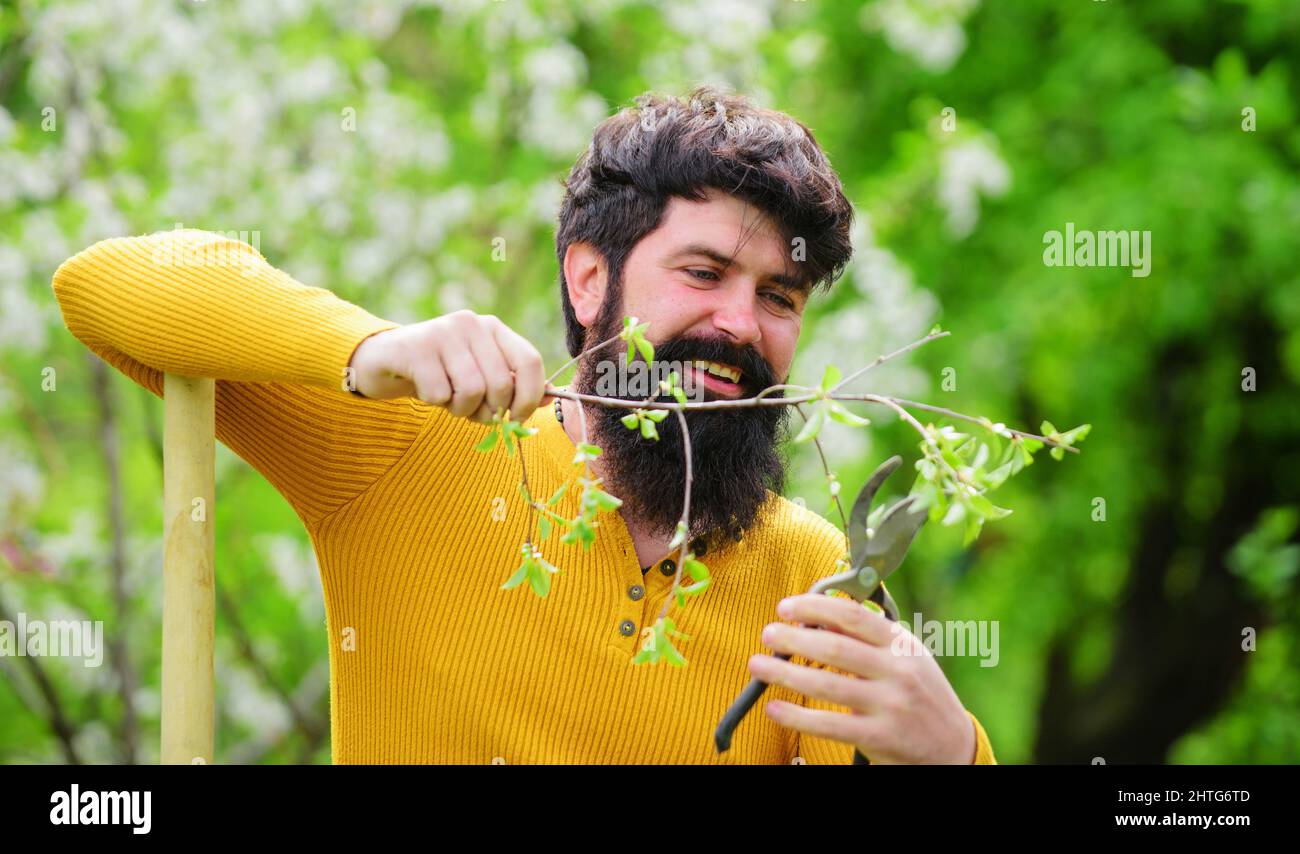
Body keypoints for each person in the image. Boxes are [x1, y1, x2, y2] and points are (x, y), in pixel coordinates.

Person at [52, 86, 995, 764]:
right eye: (704, 275)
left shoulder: (813, 576)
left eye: (779, 297)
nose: (741, 326)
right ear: (590, 280)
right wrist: (367, 350)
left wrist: (954, 756)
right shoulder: (408, 442)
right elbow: (106, 287)